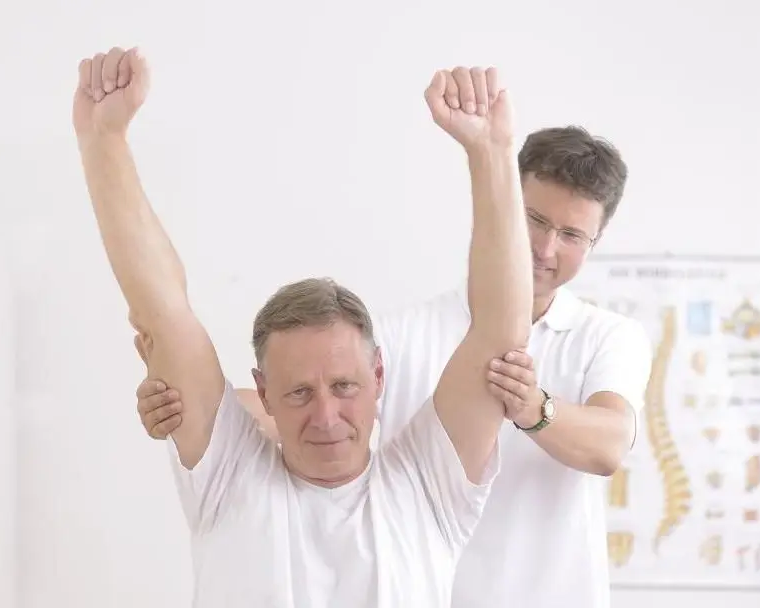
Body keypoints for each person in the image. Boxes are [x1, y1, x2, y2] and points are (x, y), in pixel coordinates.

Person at [74, 46, 535, 607]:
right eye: (297, 392)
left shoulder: (426, 484)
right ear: (263, 391)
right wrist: (104, 141)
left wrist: (492, 152)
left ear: (379, 374)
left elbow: (499, 331)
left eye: (344, 386)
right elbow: (162, 310)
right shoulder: (229, 474)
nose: (325, 416)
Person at [136, 121, 653, 606]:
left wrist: (532, 407)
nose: (544, 248)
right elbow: (304, 393)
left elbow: (609, 445)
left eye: (572, 235)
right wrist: (182, 406)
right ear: (508, 207)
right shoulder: (404, 335)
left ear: (596, 241)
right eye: (534, 221)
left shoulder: (610, 337)